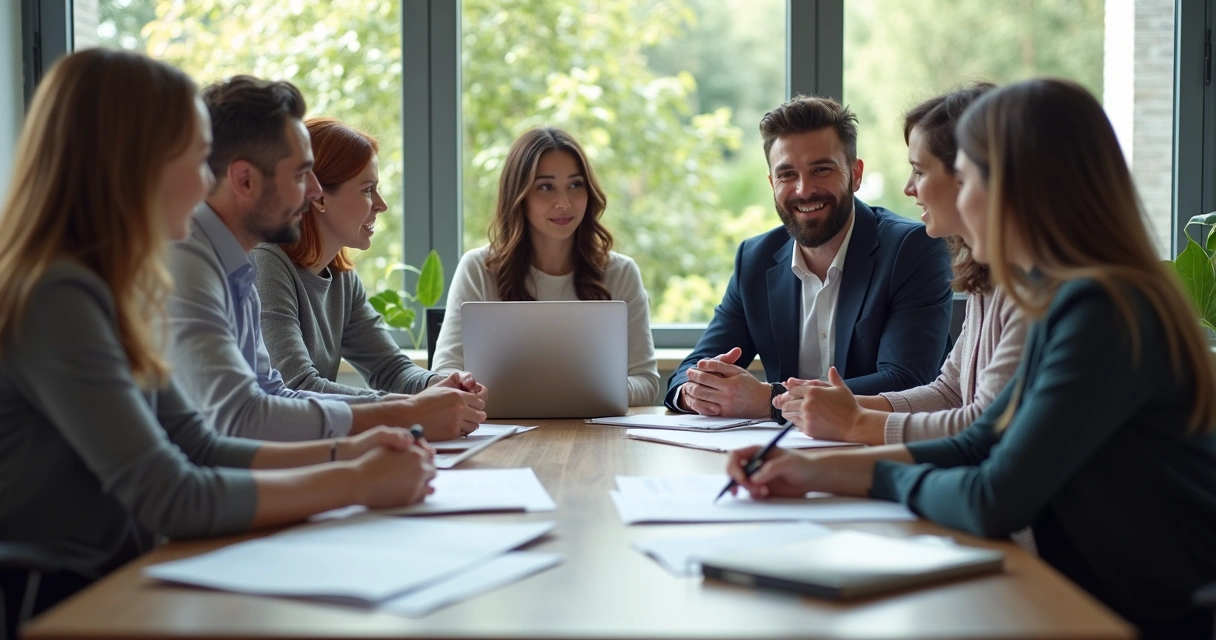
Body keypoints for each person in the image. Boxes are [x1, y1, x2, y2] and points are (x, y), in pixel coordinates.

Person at [725, 78, 1216, 639]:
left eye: (970, 177)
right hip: (1098, 592)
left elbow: (991, 497)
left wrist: (866, 470)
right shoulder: (1071, 296)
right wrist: (809, 471)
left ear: (1012, 187)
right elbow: (977, 442)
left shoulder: (1100, 308)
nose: (953, 194)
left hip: (1152, 615)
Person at [0, 49, 434, 626]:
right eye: (198, 157)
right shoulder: (58, 294)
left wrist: (349, 452)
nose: (212, 180)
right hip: (61, 601)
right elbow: (171, 494)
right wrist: (353, 480)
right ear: (132, 164)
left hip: (119, 580)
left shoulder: (116, 285)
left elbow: (199, 444)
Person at [166, 76, 486, 442]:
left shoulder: (237, 265)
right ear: (244, 180)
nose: (313, 190)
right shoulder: (242, 261)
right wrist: (406, 415)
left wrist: (436, 391)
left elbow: (271, 398)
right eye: (302, 175)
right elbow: (251, 414)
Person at [667, 95, 953, 421]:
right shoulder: (755, 259)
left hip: (879, 449)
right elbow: (690, 370)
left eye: (821, 169)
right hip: (784, 455)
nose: (804, 190)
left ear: (855, 175)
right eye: (787, 174)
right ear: (772, 182)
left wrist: (771, 400)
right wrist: (696, 391)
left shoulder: (911, 249)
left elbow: (908, 381)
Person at [776, 84, 1030, 446]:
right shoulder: (988, 276)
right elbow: (949, 393)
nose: (909, 187)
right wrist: (826, 407)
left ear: (976, 177)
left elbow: (983, 427)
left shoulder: (1035, 287)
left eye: (920, 171)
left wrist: (853, 424)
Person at [252, 117, 486, 400]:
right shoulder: (265, 264)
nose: (381, 204)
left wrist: (441, 385)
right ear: (318, 197)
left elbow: (390, 369)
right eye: (367, 190)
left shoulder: (341, 277)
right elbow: (297, 386)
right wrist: (411, 409)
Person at [431, 127, 660, 406]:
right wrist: (470, 390)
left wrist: (576, 394)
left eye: (575, 185)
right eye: (545, 187)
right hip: (503, 437)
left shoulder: (621, 273)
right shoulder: (479, 269)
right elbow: (444, 375)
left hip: (595, 437)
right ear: (519, 196)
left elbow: (646, 381)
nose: (564, 203)